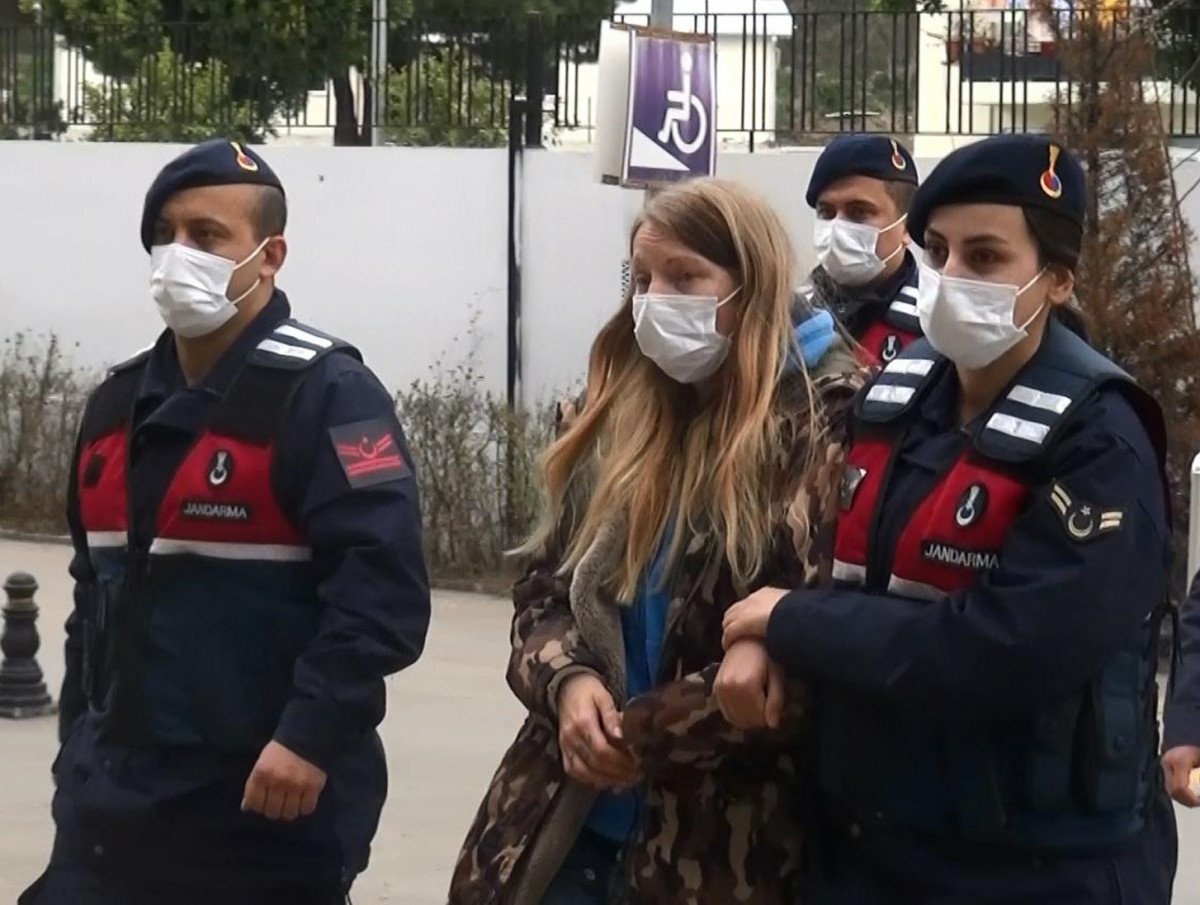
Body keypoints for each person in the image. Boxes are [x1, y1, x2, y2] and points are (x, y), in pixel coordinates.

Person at [721, 134, 1178, 903]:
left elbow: (1008, 647)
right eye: (936, 251)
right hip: (871, 847)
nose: (951, 275)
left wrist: (792, 621)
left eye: (985, 256)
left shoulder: (1102, 439)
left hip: (1039, 868)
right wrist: (763, 635)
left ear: (1057, 280)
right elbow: (823, 559)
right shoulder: (893, 399)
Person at [20, 139, 432, 905]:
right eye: (165, 233)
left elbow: (382, 595)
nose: (178, 253)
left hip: (262, 816)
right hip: (109, 817)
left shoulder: (330, 395)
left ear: (269, 255)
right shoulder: (114, 406)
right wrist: (76, 743)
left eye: (206, 235)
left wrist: (308, 736)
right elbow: (92, 601)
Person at [449, 178, 865, 904]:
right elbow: (545, 588)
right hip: (567, 827)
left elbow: (823, 642)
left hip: (722, 852)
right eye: (642, 279)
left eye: (684, 277)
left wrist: (636, 734)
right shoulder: (617, 410)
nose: (654, 300)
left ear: (752, 288)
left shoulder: (830, 423)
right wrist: (569, 684)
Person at [801, 134, 923, 366]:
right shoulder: (788, 315)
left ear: (908, 225)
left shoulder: (933, 325)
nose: (837, 228)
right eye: (826, 212)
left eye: (859, 212)